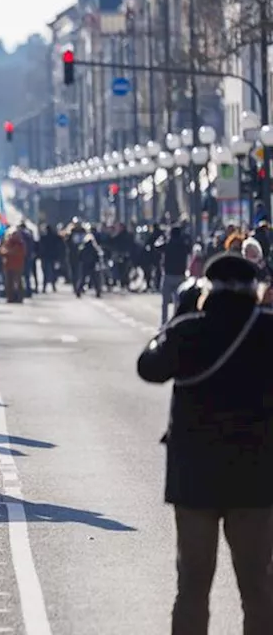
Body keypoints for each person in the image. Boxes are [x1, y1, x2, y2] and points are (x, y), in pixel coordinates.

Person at [136, 254, 273, 635]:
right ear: (254, 290)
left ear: (207, 289)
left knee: (193, 585)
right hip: (256, 477)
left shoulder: (189, 330)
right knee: (258, 586)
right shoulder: (267, 329)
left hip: (195, 477)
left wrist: (171, 324)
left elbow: (148, 368)